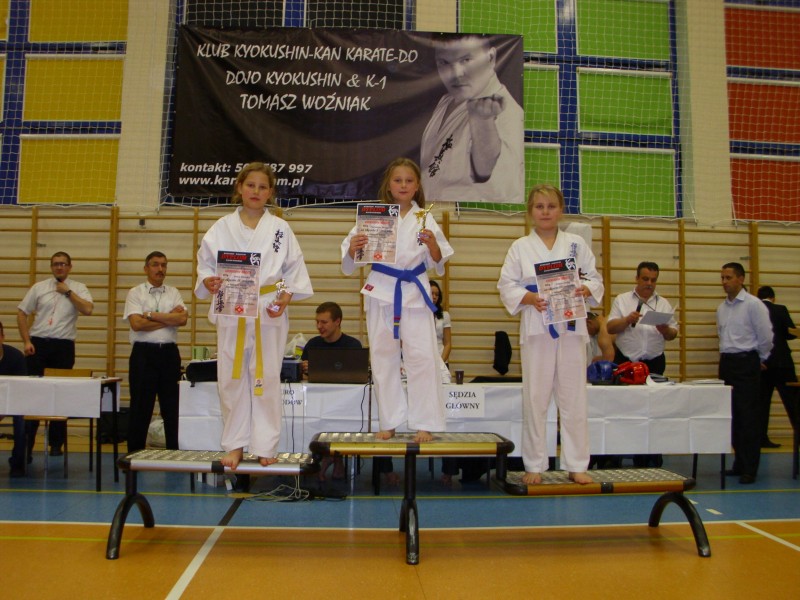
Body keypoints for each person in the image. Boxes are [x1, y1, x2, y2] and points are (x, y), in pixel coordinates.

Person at [195, 162, 313, 469]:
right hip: (231, 306)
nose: (256, 192)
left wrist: (285, 295)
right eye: (250, 185)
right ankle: (234, 444)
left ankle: (264, 445)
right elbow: (205, 267)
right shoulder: (221, 227)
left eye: (263, 187)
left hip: (267, 308)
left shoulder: (280, 229)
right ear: (239, 188)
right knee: (231, 377)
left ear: (270, 192)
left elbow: (290, 273)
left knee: (266, 377)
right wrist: (208, 281)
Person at [342, 157, 454, 443]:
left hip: (414, 290)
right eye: (398, 180)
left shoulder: (425, 217)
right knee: (383, 357)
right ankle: (390, 420)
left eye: (409, 181)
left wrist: (433, 245)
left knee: (422, 357)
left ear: (417, 187)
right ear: (389, 185)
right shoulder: (374, 216)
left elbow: (439, 261)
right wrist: (354, 247)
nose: (403, 185)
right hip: (381, 289)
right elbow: (351, 258)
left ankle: (424, 423)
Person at [498, 184, 604, 485]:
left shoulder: (576, 245)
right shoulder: (520, 247)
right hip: (537, 326)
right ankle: (534, 464)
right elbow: (506, 285)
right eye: (539, 206)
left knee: (574, 397)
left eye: (551, 206)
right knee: (536, 398)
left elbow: (595, 279)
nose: (545, 212)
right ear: (530, 211)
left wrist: (586, 289)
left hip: (571, 327)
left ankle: (577, 464)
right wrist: (529, 298)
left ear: (561, 210)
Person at [420, 34, 524, 203]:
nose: (456, 74)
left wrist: (483, 122)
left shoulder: (508, 113)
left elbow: (493, 179)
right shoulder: (447, 101)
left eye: (466, 60)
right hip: (431, 210)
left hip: (466, 215)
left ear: (491, 58)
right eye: (444, 63)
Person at [17, 251, 93, 457]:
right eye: (56, 264)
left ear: (70, 267)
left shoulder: (78, 287)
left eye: (63, 264)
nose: (59, 267)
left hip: (63, 346)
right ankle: (26, 446)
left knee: (60, 394)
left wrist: (68, 293)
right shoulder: (39, 287)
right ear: (51, 267)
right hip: (38, 344)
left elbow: (88, 309)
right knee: (33, 394)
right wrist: (26, 341)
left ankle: (56, 444)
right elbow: (22, 313)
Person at [123, 251, 188, 453]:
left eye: (163, 265)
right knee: (140, 407)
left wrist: (150, 315)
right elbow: (137, 324)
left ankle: (174, 455)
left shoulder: (174, 292)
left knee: (172, 407)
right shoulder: (135, 293)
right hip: (143, 355)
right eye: (155, 264)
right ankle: (134, 455)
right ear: (146, 268)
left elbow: (182, 319)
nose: (160, 269)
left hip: (169, 354)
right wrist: (168, 318)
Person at [717, 262, 773, 485]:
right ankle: (739, 463)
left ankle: (750, 468)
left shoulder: (753, 305)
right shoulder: (722, 308)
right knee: (732, 416)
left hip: (746, 361)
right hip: (727, 362)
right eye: (722, 278)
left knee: (748, 417)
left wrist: (760, 359)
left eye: (728, 277)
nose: (724, 282)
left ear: (740, 279)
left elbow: (766, 335)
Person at [606, 261, 678, 376]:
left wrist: (666, 331)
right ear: (637, 278)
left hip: (655, 363)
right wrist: (627, 320)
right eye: (645, 279)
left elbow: (673, 334)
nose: (649, 283)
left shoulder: (664, 304)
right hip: (626, 361)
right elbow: (610, 328)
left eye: (653, 280)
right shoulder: (622, 299)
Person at [756, 286, 799, 448]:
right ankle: (798, 436)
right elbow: (790, 332)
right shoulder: (780, 309)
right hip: (782, 362)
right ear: (773, 298)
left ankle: (762, 438)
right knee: (793, 402)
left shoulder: (755, 309)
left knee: (762, 403)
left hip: (763, 363)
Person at [300, 301, 362, 376]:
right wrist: (304, 369)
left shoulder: (353, 346)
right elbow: (302, 376)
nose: (319, 326)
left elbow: (357, 376)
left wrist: (317, 370)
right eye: (317, 322)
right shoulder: (312, 344)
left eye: (324, 322)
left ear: (337, 322)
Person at [1, 320, 28, 477]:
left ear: (2, 337)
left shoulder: (15, 357)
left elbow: (22, 389)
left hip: (13, 402)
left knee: (21, 420)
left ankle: (17, 463)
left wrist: (5, 407)